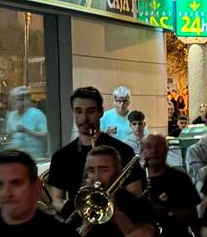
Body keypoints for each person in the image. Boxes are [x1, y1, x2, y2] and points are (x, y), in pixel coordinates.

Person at [47, 87, 144, 218]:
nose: (84, 118)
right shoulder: (62, 157)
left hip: (117, 226)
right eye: (78, 111)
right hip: (79, 228)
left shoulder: (123, 151)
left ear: (101, 112)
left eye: (91, 111)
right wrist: (81, 215)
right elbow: (56, 199)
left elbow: (135, 192)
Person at [4, 87, 48, 159]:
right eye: (15, 100)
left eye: (21, 99)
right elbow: (9, 137)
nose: (18, 102)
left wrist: (27, 131)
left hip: (34, 158)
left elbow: (46, 135)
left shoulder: (37, 114)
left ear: (27, 100)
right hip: (16, 158)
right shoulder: (12, 116)